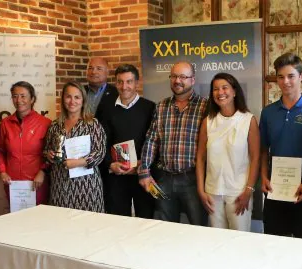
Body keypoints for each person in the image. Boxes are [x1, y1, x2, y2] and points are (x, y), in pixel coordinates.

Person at [259, 53, 302, 239]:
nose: (285, 81)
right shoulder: (268, 112)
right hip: (275, 191)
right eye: (280, 77)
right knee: (274, 246)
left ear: (301, 77)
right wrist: (263, 177)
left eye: (291, 76)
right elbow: (264, 149)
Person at [138, 61, 208, 225]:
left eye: (183, 76)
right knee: (164, 226)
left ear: (193, 80)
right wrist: (144, 172)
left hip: (193, 180)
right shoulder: (161, 106)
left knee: (199, 227)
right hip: (164, 180)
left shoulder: (205, 106)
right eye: (174, 76)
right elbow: (151, 140)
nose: (178, 81)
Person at [196, 73, 260, 231]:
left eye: (225, 88)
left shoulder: (248, 120)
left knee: (240, 240)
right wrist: (201, 190)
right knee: (217, 241)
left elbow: (256, 158)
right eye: (215, 89)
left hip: (239, 193)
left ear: (235, 91)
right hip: (212, 192)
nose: (220, 92)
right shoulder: (208, 121)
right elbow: (200, 158)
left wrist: (248, 191)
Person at [100, 64, 155, 218]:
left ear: (137, 83)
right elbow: (101, 141)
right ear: (116, 83)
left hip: (142, 175)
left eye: (129, 81)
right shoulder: (106, 108)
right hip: (116, 176)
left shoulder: (149, 107)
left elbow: (154, 141)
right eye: (120, 82)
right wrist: (110, 164)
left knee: (146, 220)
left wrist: (143, 164)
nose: (124, 87)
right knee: (117, 220)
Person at [44, 81, 106, 212]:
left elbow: (100, 152)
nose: (72, 101)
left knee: (88, 226)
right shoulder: (55, 125)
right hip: (59, 185)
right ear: (63, 99)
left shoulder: (92, 124)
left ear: (83, 101)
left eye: (77, 97)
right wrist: (49, 155)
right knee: (62, 225)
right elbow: (46, 150)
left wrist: (78, 162)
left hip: (86, 187)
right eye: (68, 96)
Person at [0, 81, 52, 205]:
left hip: (37, 182)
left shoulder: (45, 123)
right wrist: (2, 171)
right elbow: (1, 151)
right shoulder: (5, 123)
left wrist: (42, 172)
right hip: (13, 183)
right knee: (17, 220)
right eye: (15, 96)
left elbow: (50, 154)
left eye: (23, 96)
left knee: (37, 219)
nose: (18, 100)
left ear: (32, 99)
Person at [84, 57, 118, 124]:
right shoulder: (79, 91)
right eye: (90, 68)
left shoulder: (116, 94)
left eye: (99, 68)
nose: (93, 72)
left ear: (107, 72)